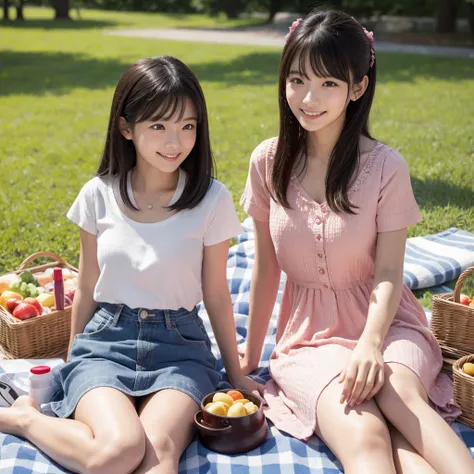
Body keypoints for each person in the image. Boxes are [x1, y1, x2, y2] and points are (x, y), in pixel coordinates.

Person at [0, 56, 261, 474]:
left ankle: (34, 421)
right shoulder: (98, 194)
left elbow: (215, 293)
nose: (175, 141)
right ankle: (27, 419)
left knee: (157, 453)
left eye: (187, 126)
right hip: (106, 342)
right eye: (158, 126)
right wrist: (72, 366)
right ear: (126, 128)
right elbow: (86, 285)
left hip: (182, 348)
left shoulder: (212, 199)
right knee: (120, 449)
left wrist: (235, 373)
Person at [239, 10, 474, 474]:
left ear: (358, 87)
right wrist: (249, 354)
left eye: (328, 83)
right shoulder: (268, 162)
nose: (308, 98)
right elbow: (266, 269)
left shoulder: (386, 167)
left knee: (399, 397)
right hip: (308, 339)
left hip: (387, 325)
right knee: (367, 435)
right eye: (297, 79)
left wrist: (370, 344)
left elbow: (389, 272)